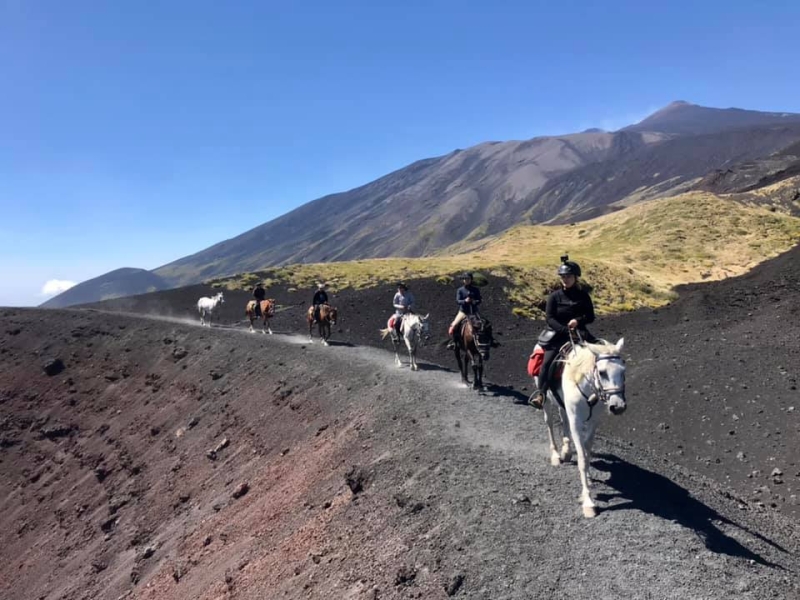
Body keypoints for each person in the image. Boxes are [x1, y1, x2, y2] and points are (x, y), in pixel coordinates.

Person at [529, 257, 597, 409]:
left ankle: (601, 390)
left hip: (580, 333)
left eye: (568, 276)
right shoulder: (554, 296)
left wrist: (578, 321)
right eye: (563, 277)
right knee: (547, 363)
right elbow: (549, 318)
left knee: (601, 354)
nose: (565, 279)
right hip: (557, 335)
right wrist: (565, 330)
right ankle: (541, 394)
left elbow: (590, 316)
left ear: (575, 277)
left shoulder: (583, 296)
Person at [447, 272, 482, 349]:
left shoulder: (476, 290)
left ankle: (489, 340)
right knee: (454, 325)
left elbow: (479, 300)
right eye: (464, 279)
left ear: (471, 279)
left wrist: (474, 302)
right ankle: (453, 342)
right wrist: (465, 301)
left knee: (483, 323)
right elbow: (457, 301)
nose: (466, 280)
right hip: (463, 312)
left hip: (474, 311)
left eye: (468, 279)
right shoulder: (460, 290)